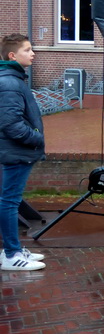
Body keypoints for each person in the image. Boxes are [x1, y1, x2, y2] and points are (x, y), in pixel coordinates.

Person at [0, 34, 47, 271]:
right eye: (27, 50)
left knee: (10, 201)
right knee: (9, 202)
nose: (33, 53)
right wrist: (36, 138)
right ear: (12, 55)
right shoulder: (10, 83)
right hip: (17, 152)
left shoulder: (13, 79)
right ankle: (11, 254)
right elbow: (10, 124)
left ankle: (14, 249)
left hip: (17, 151)